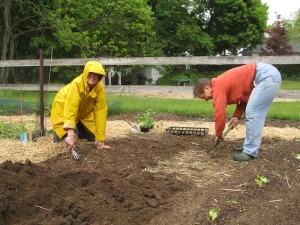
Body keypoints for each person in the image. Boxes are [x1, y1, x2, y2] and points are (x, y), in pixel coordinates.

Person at [193, 62, 282, 161]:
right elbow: (244, 98)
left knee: (253, 113)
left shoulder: (217, 86)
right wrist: (236, 116)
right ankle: (249, 147)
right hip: (266, 74)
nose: (206, 99)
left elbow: (220, 113)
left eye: (203, 96)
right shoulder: (222, 83)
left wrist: (218, 134)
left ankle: (250, 151)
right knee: (252, 111)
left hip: (265, 76)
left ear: (206, 88)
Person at [51, 61, 111, 150]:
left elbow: (100, 112)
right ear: (86, 72)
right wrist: (70, 135)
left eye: (96, 74)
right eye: (91, 73)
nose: (93, 77)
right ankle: (61, 137)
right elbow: (71, 107)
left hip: (83, 112)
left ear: (100, 77)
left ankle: (78, 132)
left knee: (89, 140)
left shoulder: (100, 87)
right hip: (63, 106)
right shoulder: (77, 84)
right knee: (61, 142)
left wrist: (101, 140)